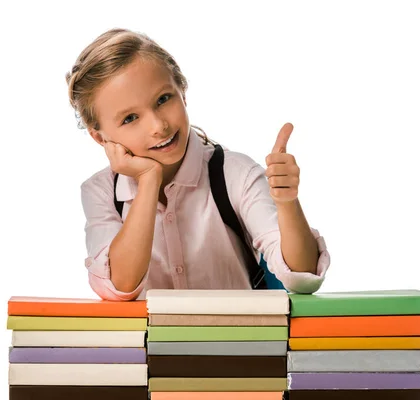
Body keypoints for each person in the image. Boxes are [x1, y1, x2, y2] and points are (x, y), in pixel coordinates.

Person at [66, 28, 331, 301]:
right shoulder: (100, 192)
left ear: (182, 91)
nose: (159, 126)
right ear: (100, 137)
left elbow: (302, 277)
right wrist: (147, 180)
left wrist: (287, 202)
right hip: (150, 346)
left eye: (163, 99)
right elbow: (121, 285)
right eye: (130, 118)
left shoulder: (235, 174)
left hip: (240, 343)